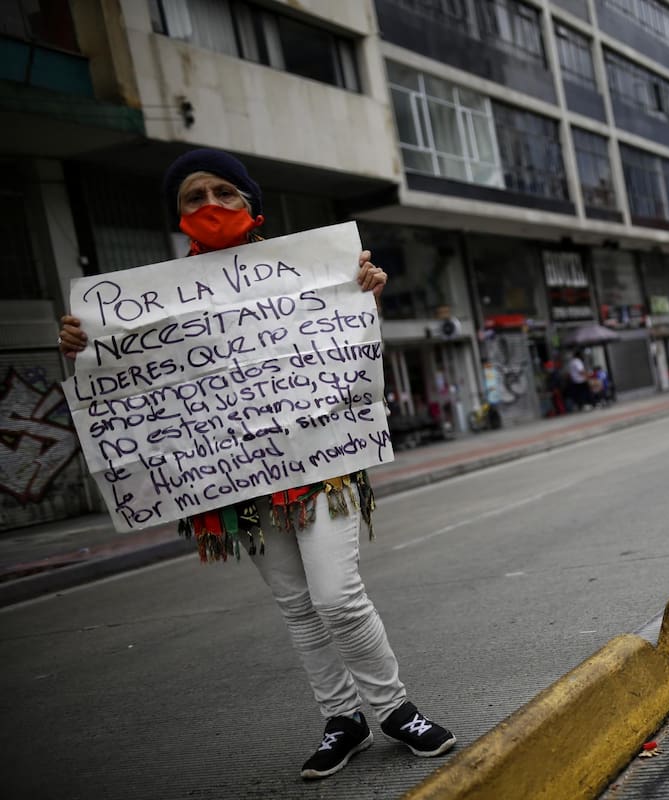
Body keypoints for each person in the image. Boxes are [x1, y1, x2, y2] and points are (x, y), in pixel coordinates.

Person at [56, 148, 455, 781]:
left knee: (337, 597)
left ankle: (395, 708)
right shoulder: (141, 306)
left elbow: (347, 350)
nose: (210, 205)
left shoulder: (308, 273)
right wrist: (83, 351)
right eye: (194, 197)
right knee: (298, 606)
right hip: (236, 480)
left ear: (252, 206)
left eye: (224, 193)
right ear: (178, 216)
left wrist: (365, 298)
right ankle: (341, 720)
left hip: (320, 463)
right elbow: (124, 391)